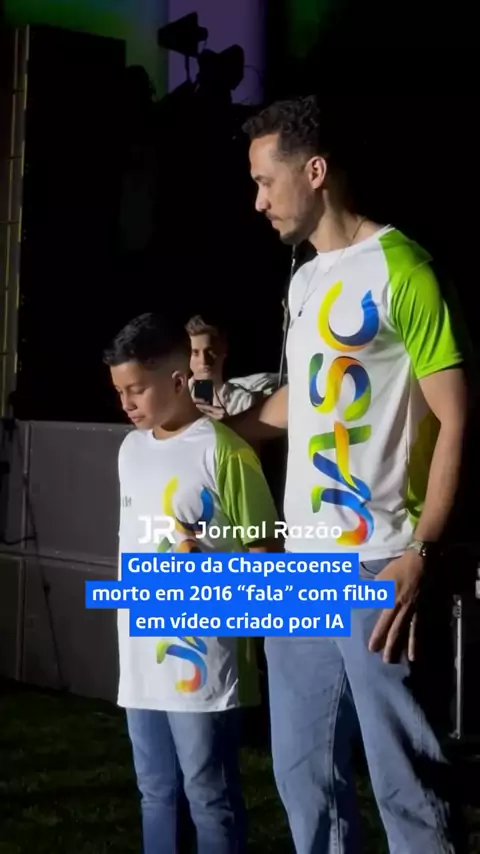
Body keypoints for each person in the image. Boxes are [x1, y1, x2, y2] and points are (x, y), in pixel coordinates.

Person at [215, 95, 468, 853]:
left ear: (315, 172)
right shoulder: (303, 281)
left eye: (265, 181)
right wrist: (214, 431)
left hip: (376, 564)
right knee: (305, 783)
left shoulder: (404, 268)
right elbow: (302, 400)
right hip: (301, 568)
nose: (258, 201)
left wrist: (420, 551)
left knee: (406, 789)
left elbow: (456, 416)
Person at [103, 312, 279, 854]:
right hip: (141, 655)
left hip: (204, 660)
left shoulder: (225, 450)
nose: (126, 403)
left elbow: (265, 556)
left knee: (208, 795)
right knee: (154, 791)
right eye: (119, 391)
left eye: (136, 389)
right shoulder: (129, 450)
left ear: (178, 380)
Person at [186, 314, 277, 416]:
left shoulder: (242, 402)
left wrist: (227, 423)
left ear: (224, 349)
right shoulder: (177, 398)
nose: (204, 360)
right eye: (195, 353)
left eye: (210, 351)